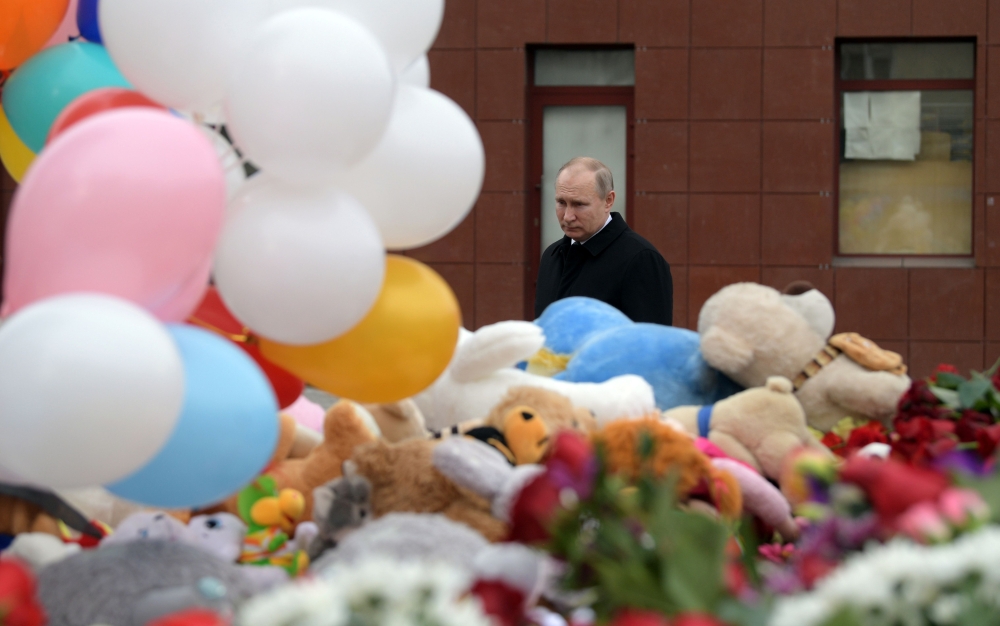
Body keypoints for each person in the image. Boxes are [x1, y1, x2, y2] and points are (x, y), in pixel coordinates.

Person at [534, 157, 673, 325]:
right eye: (561, 202)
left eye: (579, 204)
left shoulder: (641, 259)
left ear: (608, 201)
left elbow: (652, 343)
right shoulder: (551, 255)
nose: (568, 216)